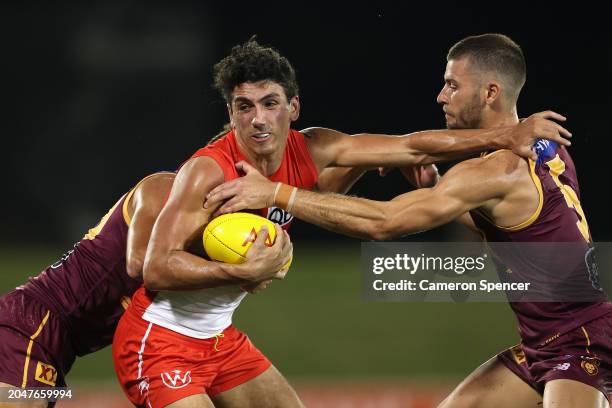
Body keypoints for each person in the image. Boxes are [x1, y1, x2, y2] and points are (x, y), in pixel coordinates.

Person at [111, 36, 573, 408]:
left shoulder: (313, 147)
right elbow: (154, 269)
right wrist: (240, 272)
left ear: (293, 108)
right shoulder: (208, 171)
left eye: (270, 104)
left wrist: (505, 134)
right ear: (230, 114)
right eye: (243, 107)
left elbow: (411, 145)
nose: (258, 120)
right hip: (160, 341)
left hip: (219, 340)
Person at [0, 171, 289, 408]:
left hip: (59, 345)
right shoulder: (162, 189)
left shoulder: (212, 227)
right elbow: (140, 266)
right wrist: (239, 272)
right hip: (33, 324)